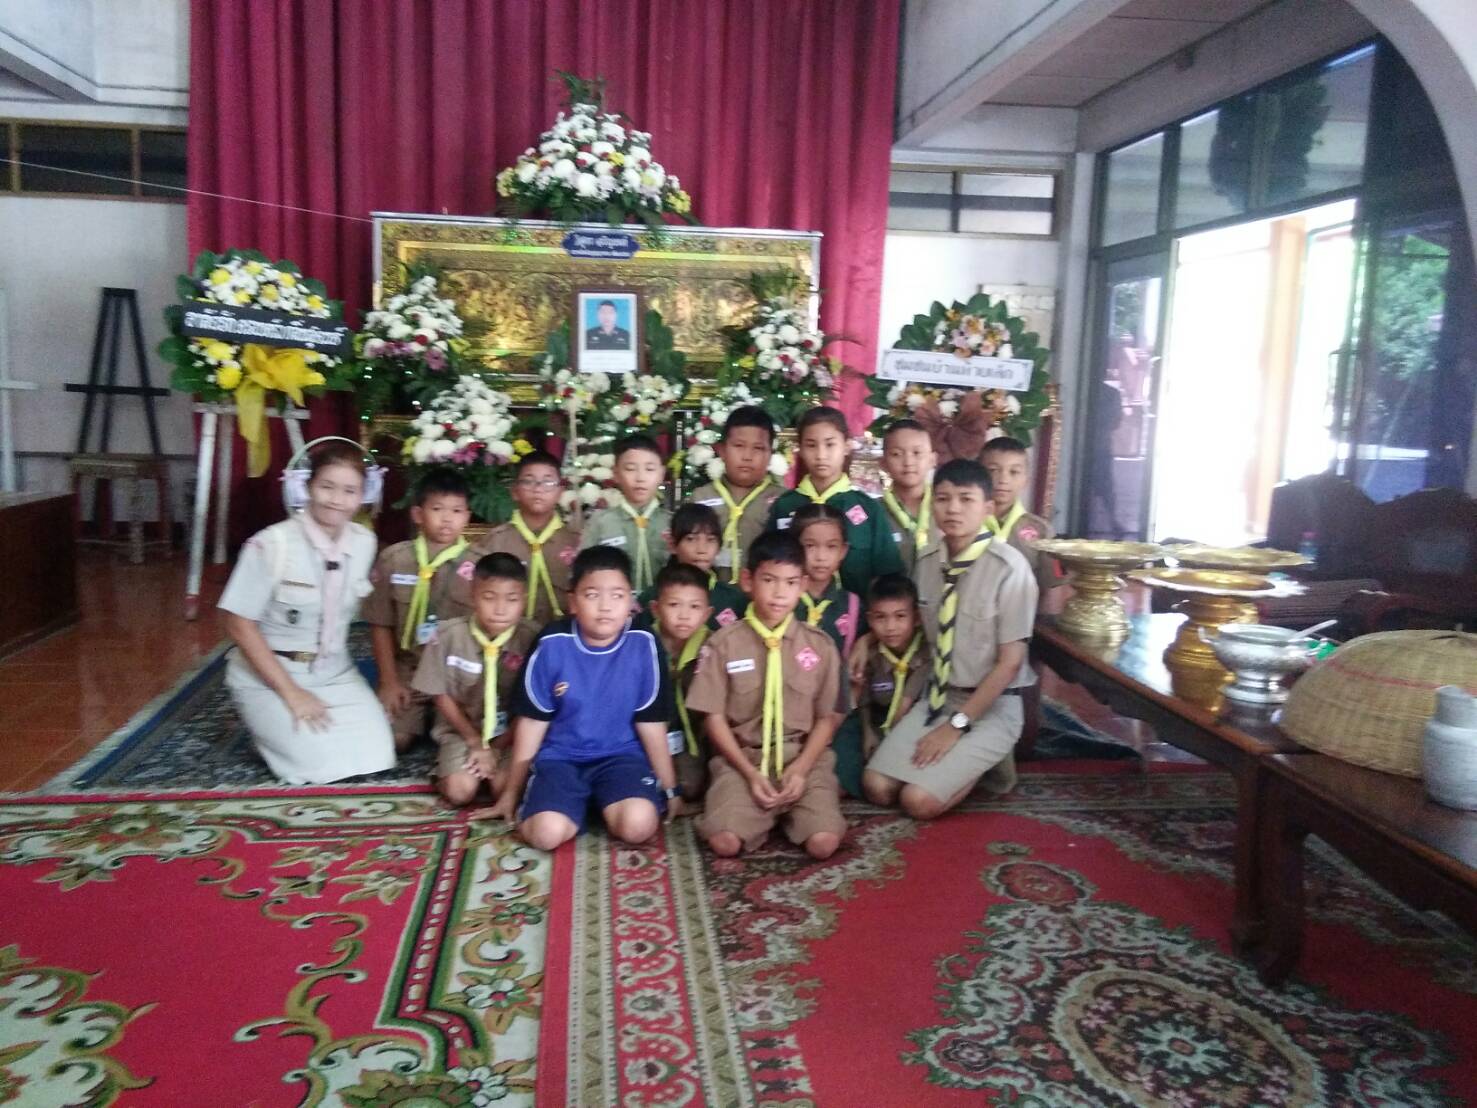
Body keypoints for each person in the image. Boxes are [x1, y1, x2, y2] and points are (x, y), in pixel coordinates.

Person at [863, 458, 1038, 820]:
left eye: (966, 499)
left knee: (917, 801)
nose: (953, 509)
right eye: (942, 499)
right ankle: (958, 762)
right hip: (938, 697)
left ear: (987, 508)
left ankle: (980, 763)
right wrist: (864, 644)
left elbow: (1010, 663)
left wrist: (956, 727)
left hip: (992, 706)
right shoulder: (927, 562)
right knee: (877, 787)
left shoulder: (1010, 569)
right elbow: (920, 636)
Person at [218, 442, 395, 784]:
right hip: (273, 675)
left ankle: (282, 732)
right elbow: (238, 624)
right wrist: (292, 693)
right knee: (321, 766)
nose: (336, 500)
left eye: (349, 491)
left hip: (335, 673)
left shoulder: (364, 542)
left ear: (364, 495)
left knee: (378, 755)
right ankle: (266, 725)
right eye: (327, 486)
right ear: (307, 486)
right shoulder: (271, 544)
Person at [486, 546, 679, 850]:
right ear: (573, 602)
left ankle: (594, 803)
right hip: (560, 759)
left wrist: (671, 790)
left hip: (621, 757)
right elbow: (532, 723)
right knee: (545, 835)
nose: (605, 607)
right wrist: (511, 792)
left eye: (617, 595)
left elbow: (651, 723)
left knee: (639, 826)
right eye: (592, 595)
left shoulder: (644, 643)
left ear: (631, 602)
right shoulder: (552, 642)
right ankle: (563, 804)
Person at [687, 531, 848, 860]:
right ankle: (749, 812)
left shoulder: (820, 646)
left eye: (790, 582)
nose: (779, 593)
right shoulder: (723, 644)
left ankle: (793, 814)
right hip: (742, 759)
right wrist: (749, 774)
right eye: (769, 580)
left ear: (802, 585)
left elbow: (828, 717)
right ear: (748, 581)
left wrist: (801, 768)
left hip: (802, 758)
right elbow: (713, 718)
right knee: (724, 842)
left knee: (824, 844)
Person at [411, 553, 539, 807]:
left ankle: (488, 771)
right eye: (489, 598)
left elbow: (534, 704)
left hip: (512, 733)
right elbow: (440, 694)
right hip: (461, 730)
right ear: (472, 595)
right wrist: (473, 741)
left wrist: (498, 747)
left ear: (524, 600)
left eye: (512, 599)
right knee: (460, 791)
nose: (500, 609)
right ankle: (450, 772)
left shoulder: (533, 639)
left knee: (505, 789)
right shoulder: (447, 635)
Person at [363, 467, 474, 750]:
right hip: (409, 668)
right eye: (437, 509)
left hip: (454, 674)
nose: (447, 518)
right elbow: (380, 623)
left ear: (467, 517)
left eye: (456, 511)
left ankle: (437, 721)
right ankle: (412, 719)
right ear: (417, 514)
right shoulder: (394, 559)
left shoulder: (479, 565)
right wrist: (389, 681)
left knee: (457, 740)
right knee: (393, 742)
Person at [767, 405, 903, 596]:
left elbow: (887, 575)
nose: (821, 455)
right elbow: (768, 566)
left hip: (855, 613)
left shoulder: (868, 509)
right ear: (800, 449)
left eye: (830, 445)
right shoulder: (784, 506)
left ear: (846, 446)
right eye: (811, 445)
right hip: (792, 612)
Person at [833, 574, 930, 798]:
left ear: (916, 618)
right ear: (869, 619)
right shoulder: (870, 655)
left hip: (921, 733)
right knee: (867, 787)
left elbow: (904, 706)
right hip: (881, 729)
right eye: (880, 618)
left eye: (900, 616)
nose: (890, 627)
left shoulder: (928, 650)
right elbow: (865, 702)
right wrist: (869, 733)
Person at [469, 449, 580, 627]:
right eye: (528, 481)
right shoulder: (495, 542)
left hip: (562, 635)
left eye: (548, 482)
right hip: (509, 635)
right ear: (515, 491)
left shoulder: (576, 541)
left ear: (560, 492)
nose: (538, 489)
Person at [688, 405, 783, 582]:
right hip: (708, 593)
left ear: (770, 455)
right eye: (739, 446)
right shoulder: (700, 498)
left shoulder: (783, 501)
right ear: (722, 451)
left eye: (758, 448)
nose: (747, 456)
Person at [648, 561, 715, 802]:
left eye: (695, 607)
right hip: (650, 733)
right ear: (656, 609)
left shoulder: (714, 646)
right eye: (674, 605)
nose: (684, 615)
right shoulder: (642, 644)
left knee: (690, 787)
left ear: (707, 613)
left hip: (695, 737)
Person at [580, 434, 670, 594]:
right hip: (613, 607)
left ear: (661, 474)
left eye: (649, 469)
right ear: (616, 474)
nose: (640, 478)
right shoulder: (600, 522)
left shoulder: (672, 523)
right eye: (630, 469)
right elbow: (583, 573)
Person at [637, 502, 746, 630]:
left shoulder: (733, 599)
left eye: (710, 540)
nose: (702, 550)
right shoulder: (653, 597)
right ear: (672, 544)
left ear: (719, 547)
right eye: (691, 539)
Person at [980, 436, 1062, 593]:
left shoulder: (1041, 530)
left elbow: (1054, 585)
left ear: (1026, 480)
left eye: (1014, 472)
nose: (1003, 479)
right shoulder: (966, 522)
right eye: (993, 470)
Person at [790, 502, 864, 659]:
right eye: (810, 546)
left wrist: (866, 640)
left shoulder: (853, 606)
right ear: (794, 547)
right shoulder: (781, 601)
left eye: (831, 547)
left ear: (843, 551)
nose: (821, 557)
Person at [879, 418, 939, 575]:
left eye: (917, 453)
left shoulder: (946, 507)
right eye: (897, 454)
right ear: (883, 463)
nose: (908, 462)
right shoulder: (873, 511)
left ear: (932, 460)